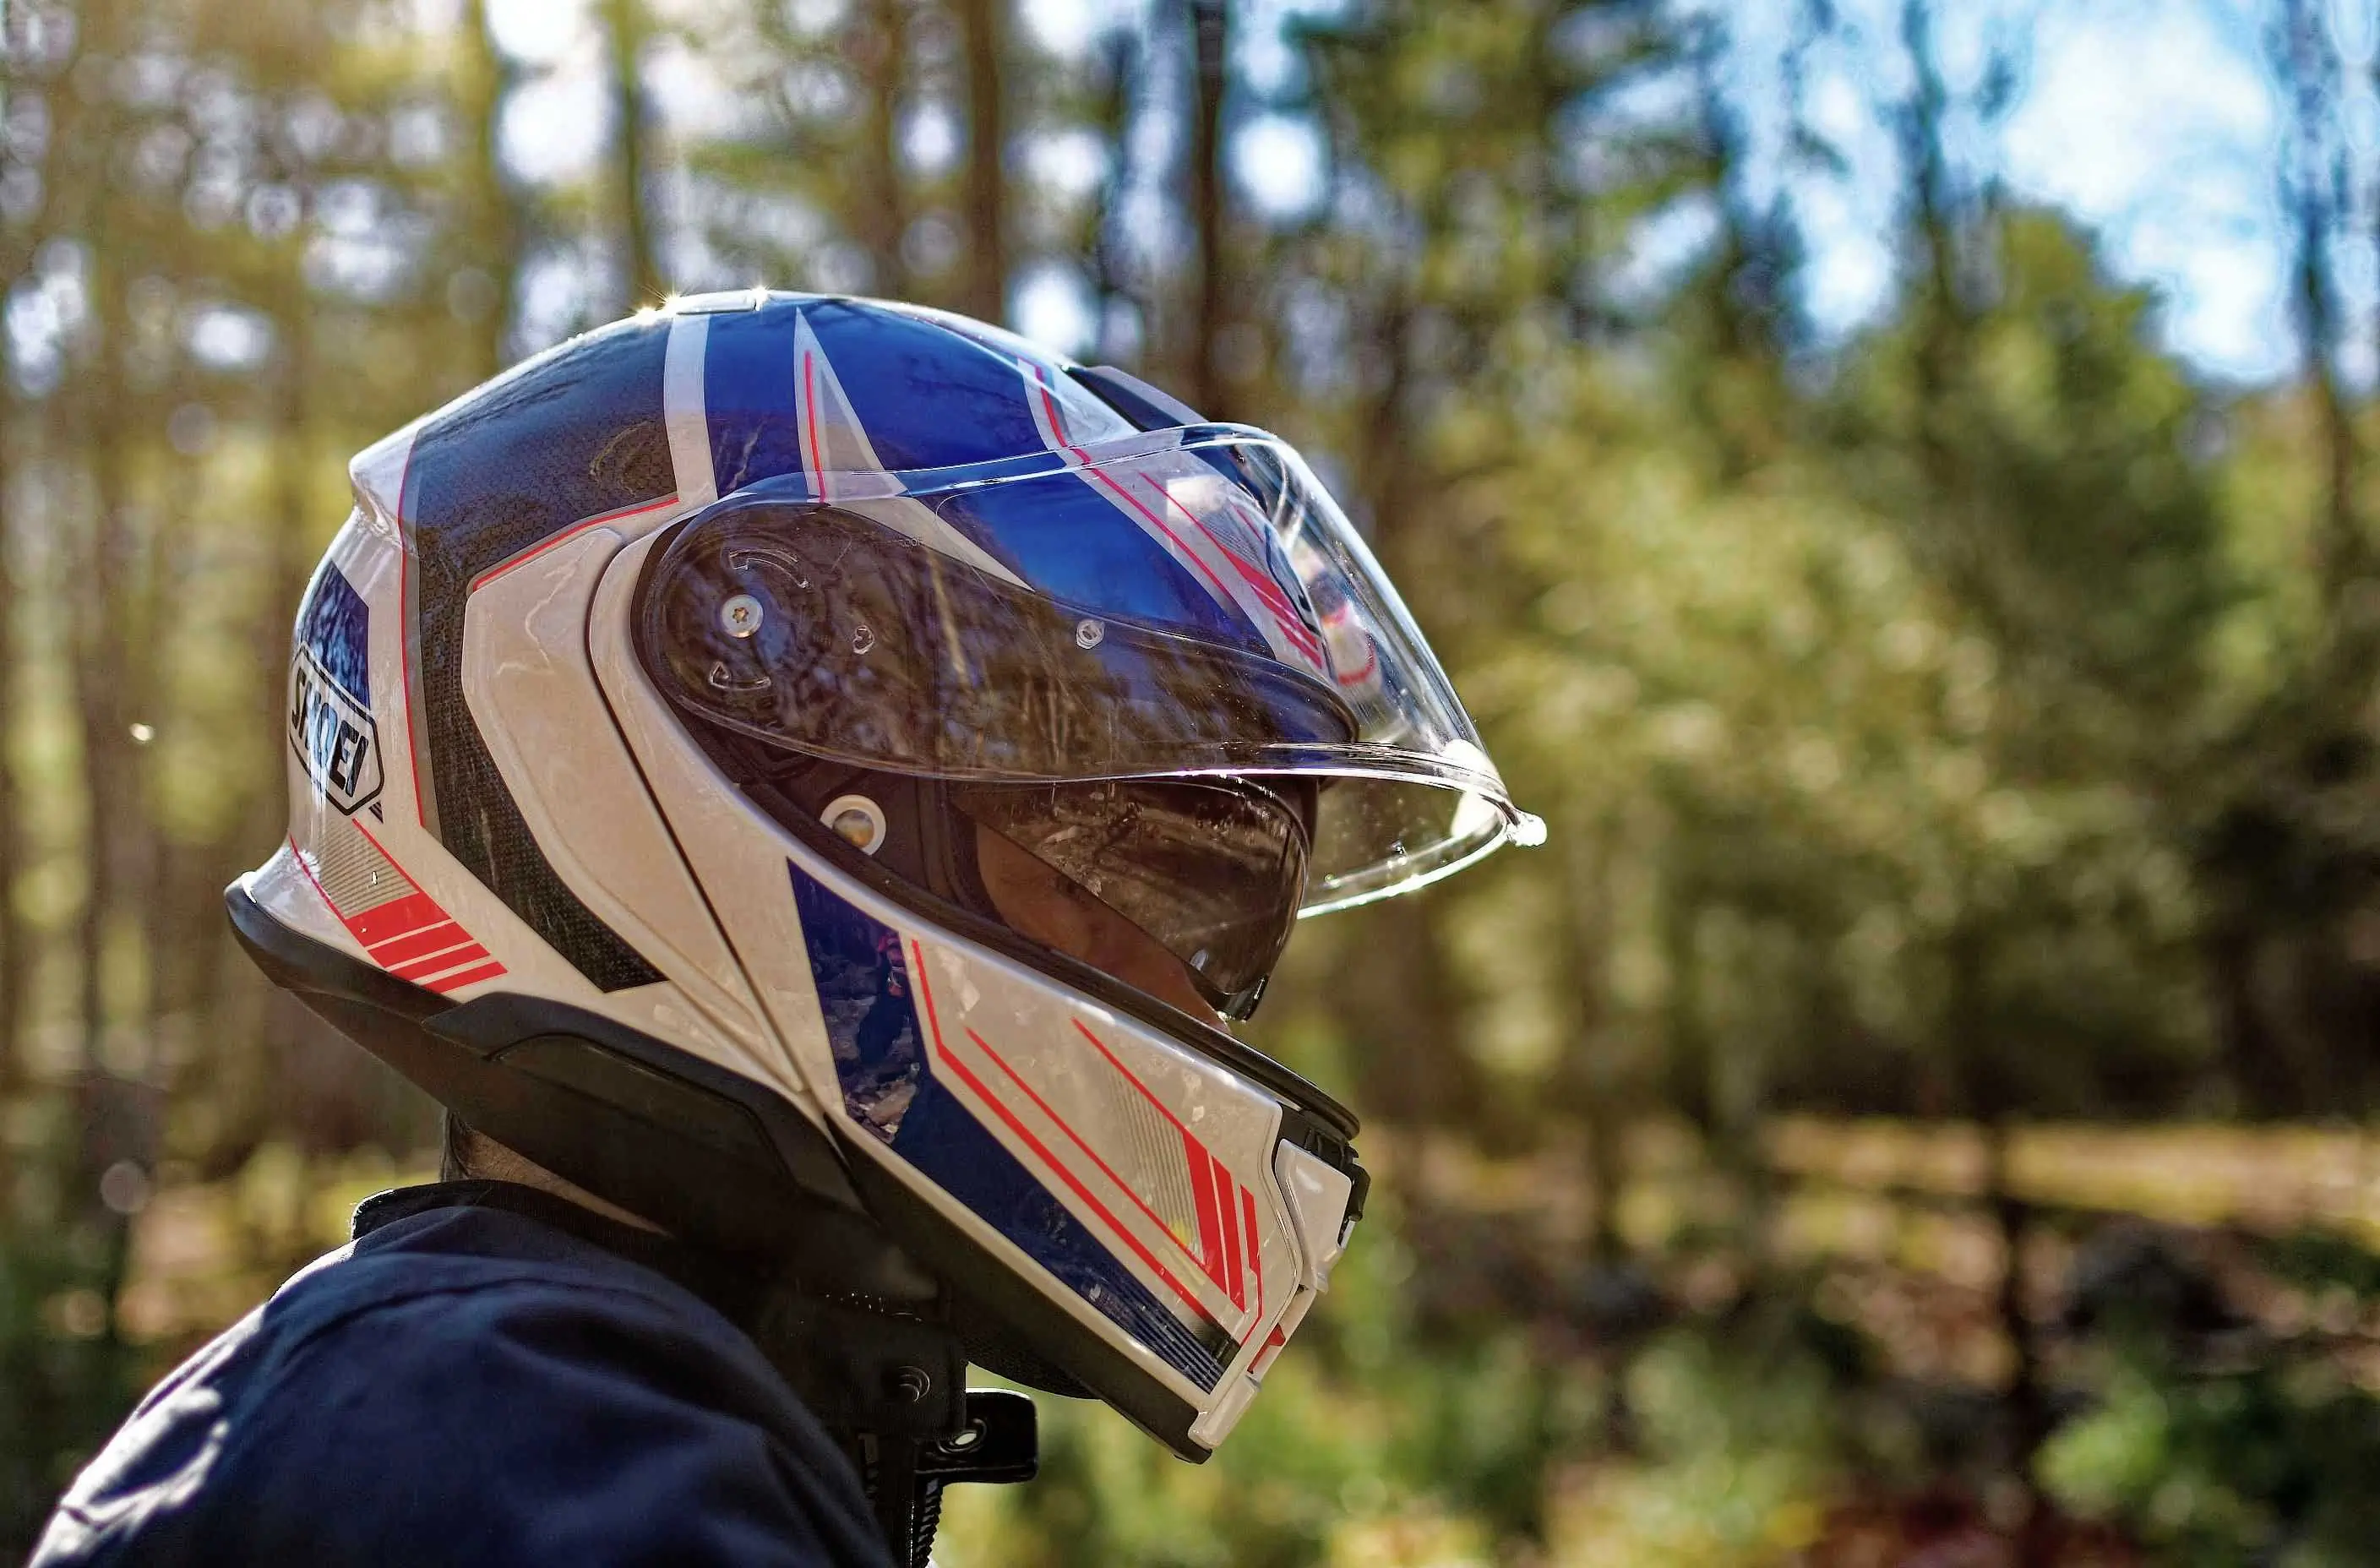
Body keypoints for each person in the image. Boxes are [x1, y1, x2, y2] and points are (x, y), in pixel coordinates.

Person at [33, 293, 1540, 1566]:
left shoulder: (519, 1405)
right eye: (1138, 865)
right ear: (758, 767)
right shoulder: (507, 1459)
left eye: (1236, 924)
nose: (1198, 1002)